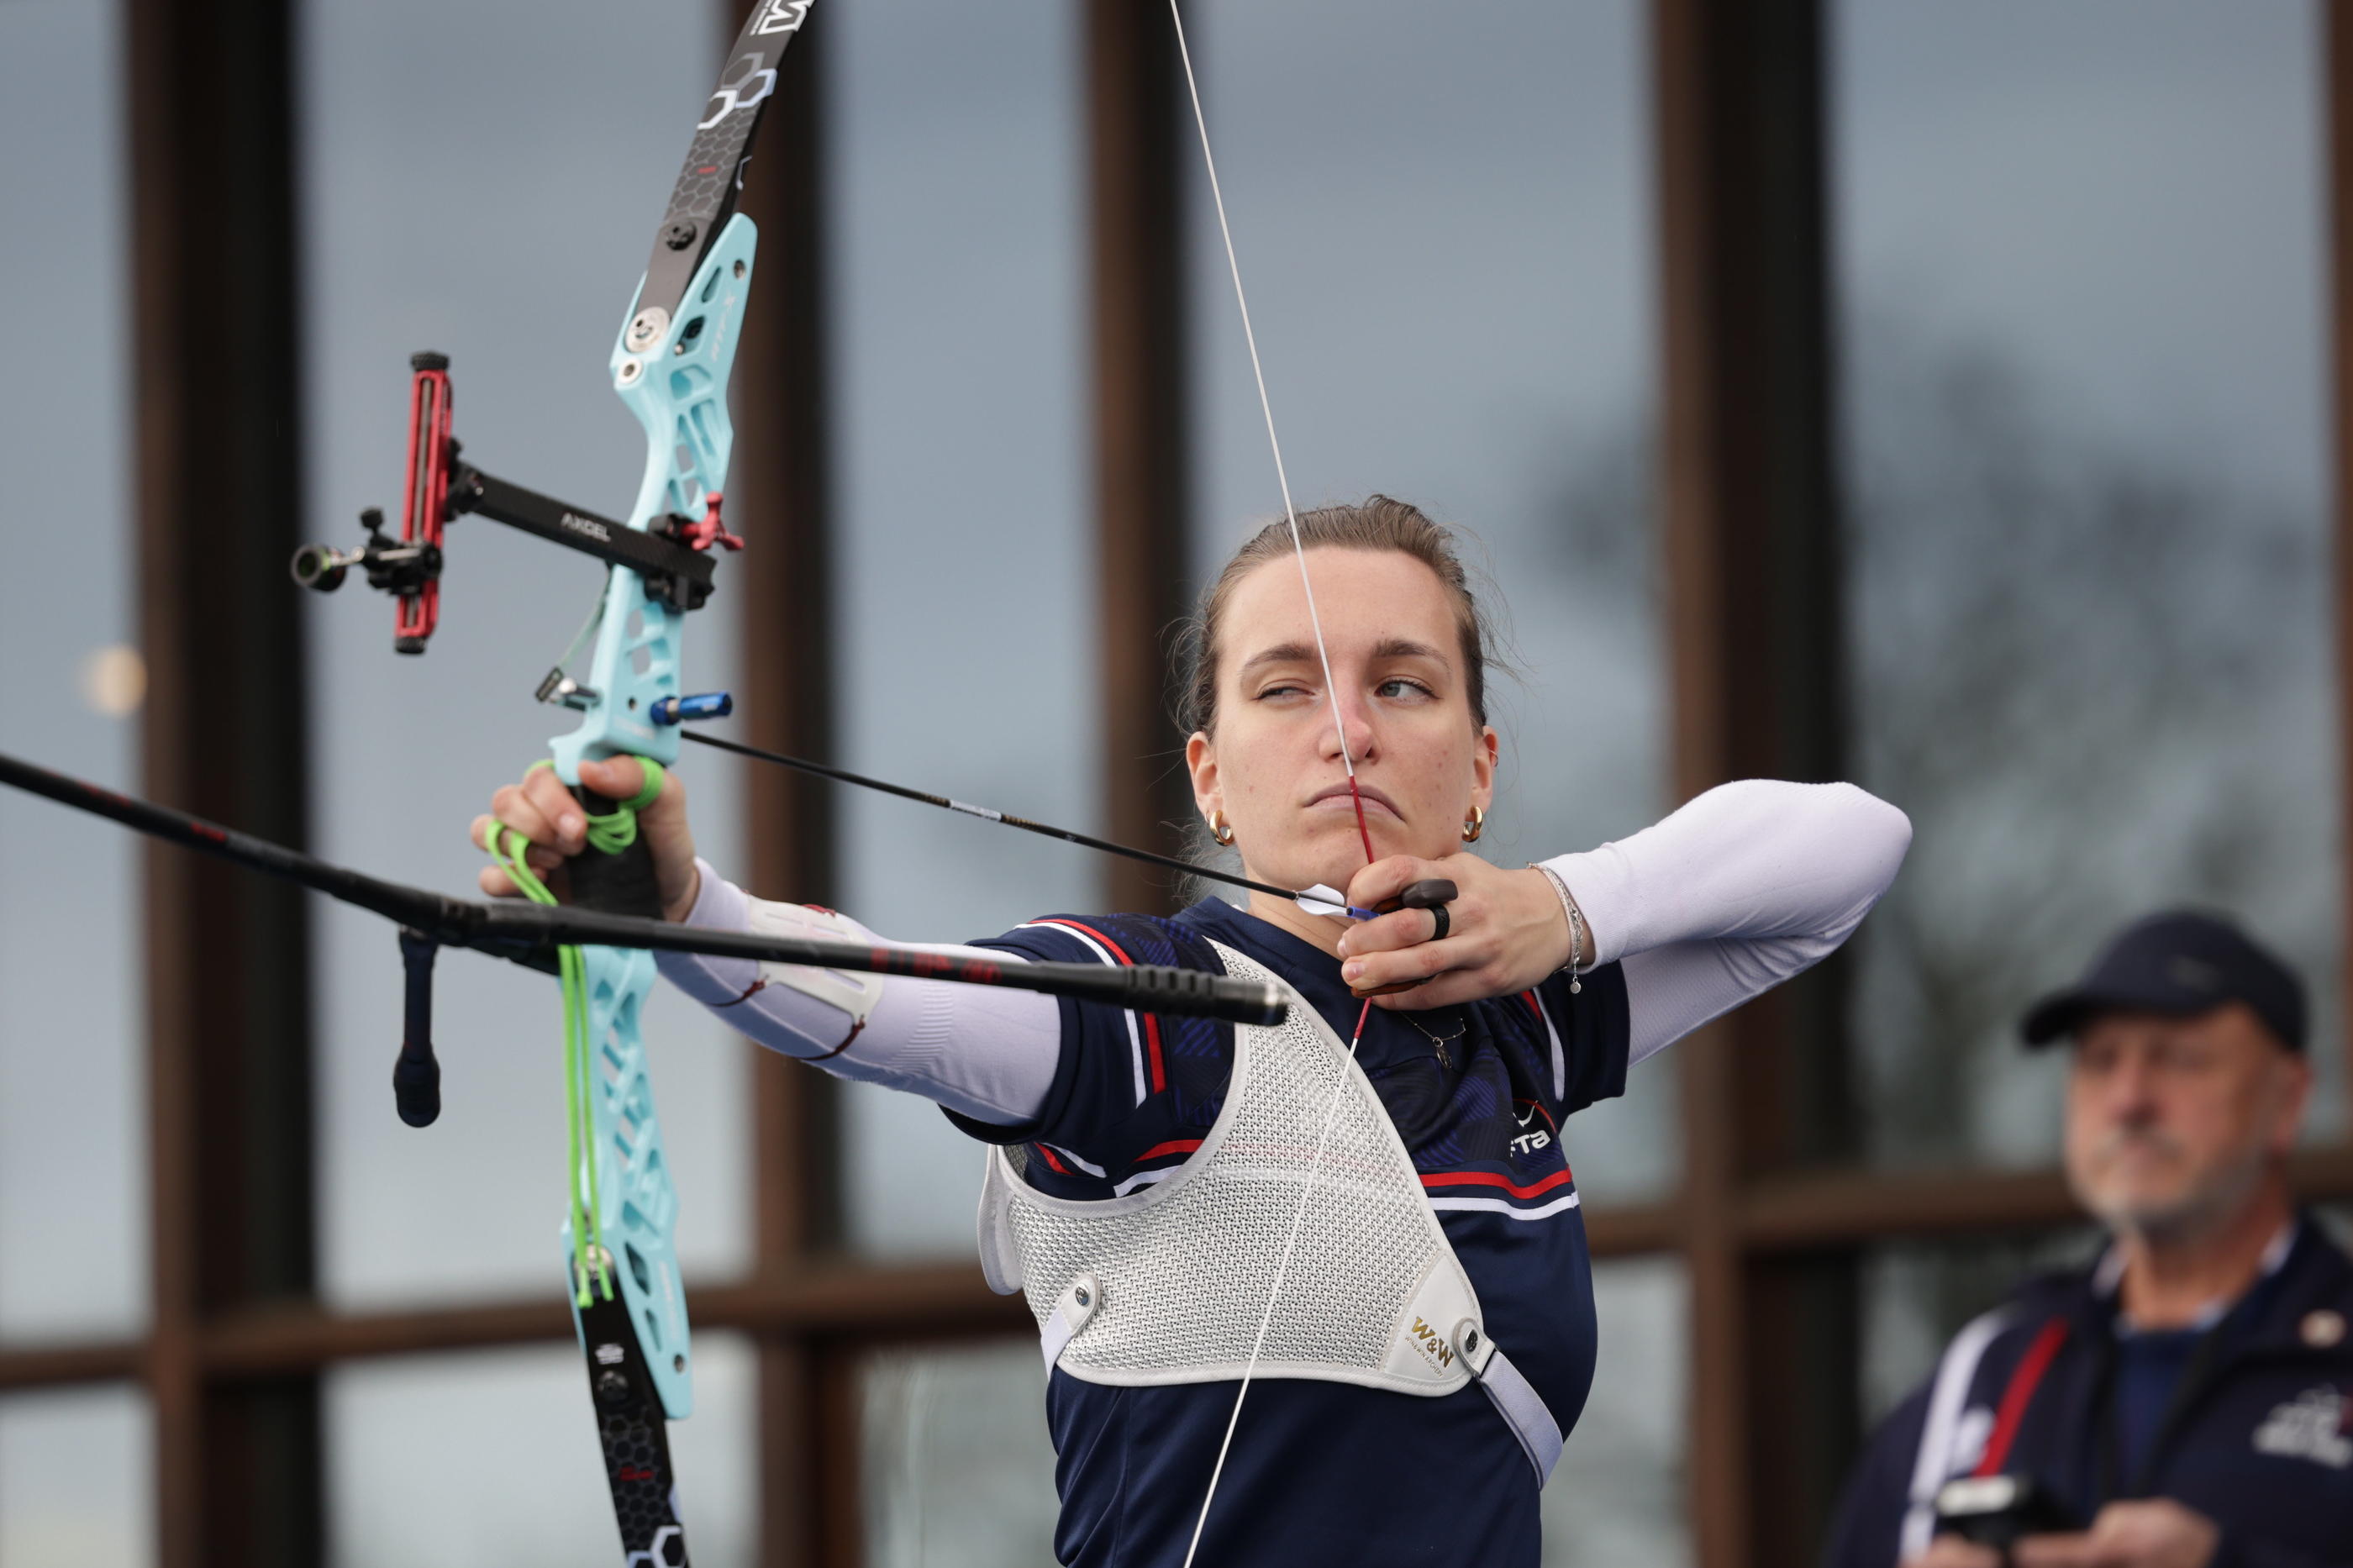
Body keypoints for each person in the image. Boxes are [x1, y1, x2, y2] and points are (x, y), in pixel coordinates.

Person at [477, 497, 1911, 1567]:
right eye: (1287, 687)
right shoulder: (1156, 1020)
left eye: (1401, 685)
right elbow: (886, 1001)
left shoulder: (1520, 1018)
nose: (1347, 730)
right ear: (1210, 780)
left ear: (1479, 768)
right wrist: (678, 903)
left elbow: (1846, 852)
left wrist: (1566, 907)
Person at [1824, 911, 2353, 1568]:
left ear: (2289, 1100)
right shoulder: (1989, 1372)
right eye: (2100, 1060)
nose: (2129, 1099)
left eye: (2180, 1058)